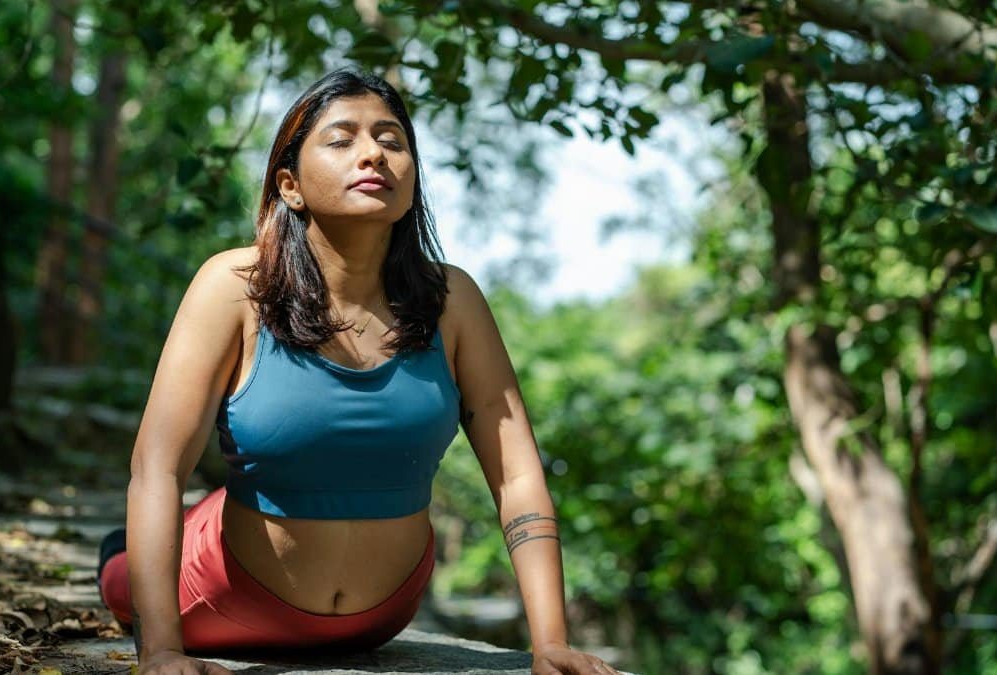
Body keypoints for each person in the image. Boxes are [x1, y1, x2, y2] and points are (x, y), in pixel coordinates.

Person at [96, 67, 621, 675]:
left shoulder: (453, 299)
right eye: (342, 139)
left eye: (393, 140)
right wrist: (161, 651)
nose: (373, 153)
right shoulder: (234, 287)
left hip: (383, 612)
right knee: (122, 573)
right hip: (221, 591)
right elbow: (156, 466)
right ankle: (118, 551)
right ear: (289, 185)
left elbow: (518, 475)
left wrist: (550, 642)